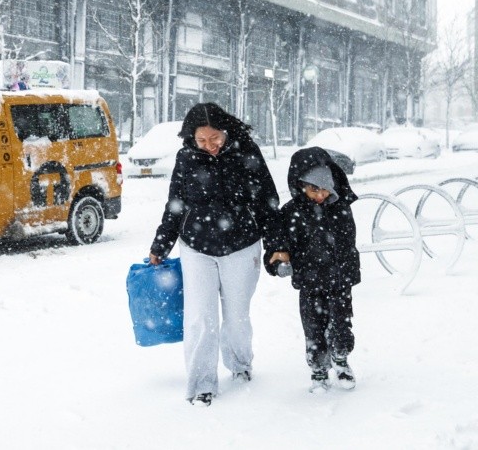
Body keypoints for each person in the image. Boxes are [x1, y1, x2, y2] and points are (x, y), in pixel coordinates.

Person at [148, 103, 280, 407]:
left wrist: (276, 246)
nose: (210, 146)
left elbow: (267, 202)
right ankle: (202, 382)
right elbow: (175, 203)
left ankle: (240, 364)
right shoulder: (187, 157)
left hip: (241, 244)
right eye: (202, 141)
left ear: (226, 130)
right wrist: (161, 244)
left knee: (236, 316)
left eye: (215, 139)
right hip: (196, 246)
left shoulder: (247, 153)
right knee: (199, 318)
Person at [265, 146, 361, 393]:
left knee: (341, 324)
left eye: (324, 189)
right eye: (313, 189)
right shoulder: (290, 212)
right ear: (301, 186)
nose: (319, 195)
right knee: (314, 328)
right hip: (310, 282)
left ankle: (341, 360)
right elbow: (277, 244)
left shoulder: (340, 207)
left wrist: (347, 269)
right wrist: (278, 263)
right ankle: (318, 370)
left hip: (339, 280)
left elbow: (347, 241)